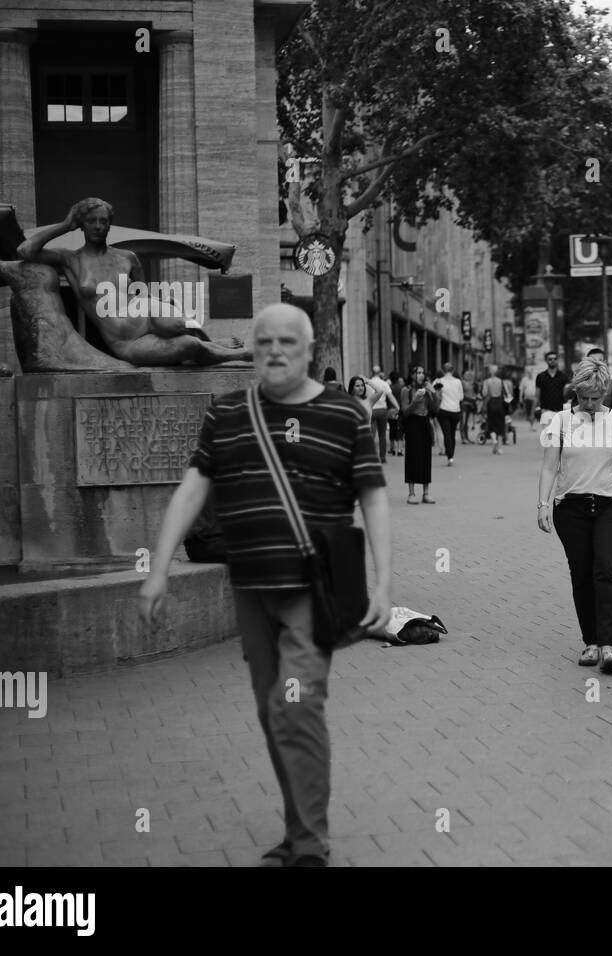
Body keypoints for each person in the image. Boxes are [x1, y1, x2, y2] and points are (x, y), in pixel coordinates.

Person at [138, 303, 391, 866]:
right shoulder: (227, 414)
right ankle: (298, 830)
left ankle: (309, 845)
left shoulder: (347, 415)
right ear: (252, 350)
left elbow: (373, 497)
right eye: (265, 342)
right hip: (250, 587)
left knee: (293, 708)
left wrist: (385, 583)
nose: (275, 351)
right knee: (270, 712)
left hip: (313, 590)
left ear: (308, 351)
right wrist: (157, 570)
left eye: (288, 343)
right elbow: (192, 489)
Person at [17, 198, 249, 365]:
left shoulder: (127, 258)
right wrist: (66, 225)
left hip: (147, 316)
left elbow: (143, 296)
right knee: (190, 345)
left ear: (110, 224)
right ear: (82, 224)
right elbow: (25, 250)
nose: (98, 226)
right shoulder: (70, 259)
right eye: (91, 221)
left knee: (175, 324)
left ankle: (217, 346)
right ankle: (239, 355)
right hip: (126, 340)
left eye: (103, 221)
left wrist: (161, 305)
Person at [537, 360, 612, 674]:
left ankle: (608, 645)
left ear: (605, 393)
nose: (589, 404)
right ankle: (590, 641)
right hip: (570, 509)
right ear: (575, 391)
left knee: (607, 569)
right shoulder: (559, 422)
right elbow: (549, 467)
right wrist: (543, 505)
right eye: (583, 397)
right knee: (582, 574)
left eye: (596, 398)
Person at [401, 366, 439, 503]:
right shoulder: (406, 390)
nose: (421, 375)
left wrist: (433, 392)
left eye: (423, 373)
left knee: (425, 457)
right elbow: (405, 412)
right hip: (412, 423)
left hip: (424, 423)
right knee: (412, 456)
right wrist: (415, 400)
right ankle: (411, 493)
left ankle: (426, 492)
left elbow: (436, 409)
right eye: (418, 373)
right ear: (412, 375)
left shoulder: (427, 390)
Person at [434, 363, 464, 467]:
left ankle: (449, 457)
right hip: (455, 410)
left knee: (446, 433)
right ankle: (452, 455)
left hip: (443, 409)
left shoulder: (439, 381)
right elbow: (461, 397)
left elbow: (433, 393)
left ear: (443, 370)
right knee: (452, 433)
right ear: (453, 370)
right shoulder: (458, 381)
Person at [365, 366, 397, 464]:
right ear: (380, 373)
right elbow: (390, 397)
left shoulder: (368, 384)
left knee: (372, 434)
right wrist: (397, 407)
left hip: (373, 410)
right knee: (382, 435)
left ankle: (371, 457)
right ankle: (382, 457)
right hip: (383, 410)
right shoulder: (384, 384)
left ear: (371, 372)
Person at [536, 351, 570, 429]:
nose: (552, 360)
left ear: (557, 360)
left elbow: (567, 394)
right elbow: (537, 394)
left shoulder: (564, 377)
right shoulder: (541, 376)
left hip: (560, 411)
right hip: (546, 411)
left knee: (559, 437)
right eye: (550, 359)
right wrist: (533, 411)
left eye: (555, 358)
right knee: (548, 438)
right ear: (546, 360)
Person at [481, 365, 507, 454]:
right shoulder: (501, 381)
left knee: (491, 423)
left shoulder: (486, 381)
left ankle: (493, 440)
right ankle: (499, 448)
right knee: (500, 425)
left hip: (491, 403)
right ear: (497, 372)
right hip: (500, 403)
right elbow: (507, 394)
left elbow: (484, 393)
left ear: (489, 372)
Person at [388, 373, 405, 456]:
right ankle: (399, 449)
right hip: (400, 410)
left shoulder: (389, 387)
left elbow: (388, 399)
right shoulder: (402, 388)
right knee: (400, 429)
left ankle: (392, 448)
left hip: (390, 410)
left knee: (392, 428)